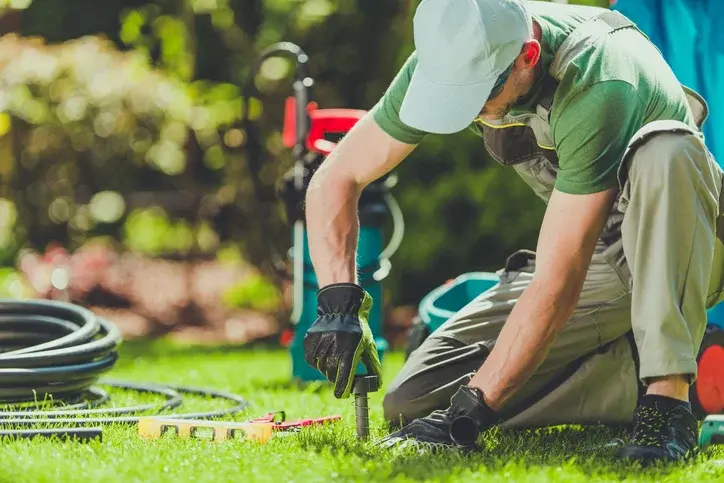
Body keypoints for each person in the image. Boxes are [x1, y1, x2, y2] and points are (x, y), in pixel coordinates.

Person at [301, 0, 724, 466]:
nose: (472, 111)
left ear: (528, 54)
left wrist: (472, 410)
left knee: (667, 149)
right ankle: (668, 363)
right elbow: (335, 178)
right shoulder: (450, 52)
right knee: (414, 400)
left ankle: (668, 399)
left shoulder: (601, 78)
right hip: (601, 257)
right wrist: (337, 300)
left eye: (481, 93)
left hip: (683, 247)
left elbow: (559, 281)